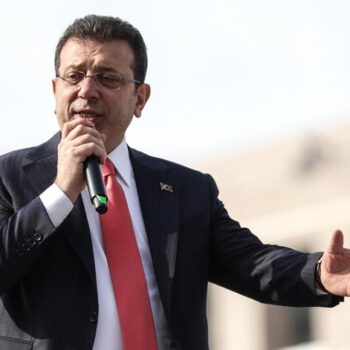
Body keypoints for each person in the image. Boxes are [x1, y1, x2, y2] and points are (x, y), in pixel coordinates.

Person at [0, 14, 348, 350]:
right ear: (55, 90)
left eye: (108, 78)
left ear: (140, 98)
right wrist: (61, 191)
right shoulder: (10, 177)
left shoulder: (186, 190)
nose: (87, 90)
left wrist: (318, 274)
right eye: (74, 76)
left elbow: (252, 263)